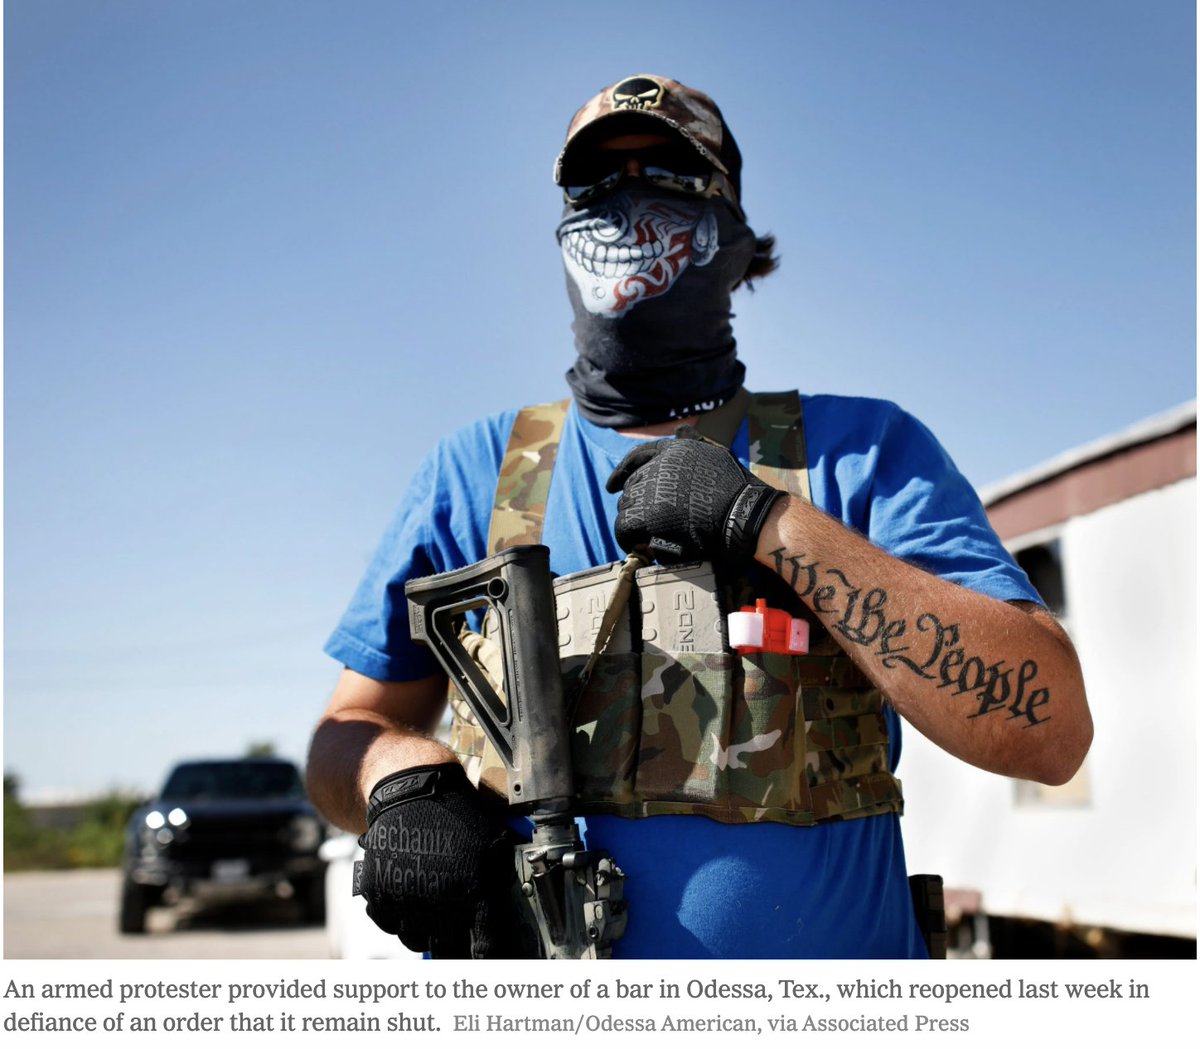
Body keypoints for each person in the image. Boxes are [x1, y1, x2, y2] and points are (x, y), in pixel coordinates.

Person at [306, 73, 1092, 960]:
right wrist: (398, 781)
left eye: (667, 179)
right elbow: (344, 734)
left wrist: (773, 524)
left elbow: (1050, 728)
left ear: (735, 236)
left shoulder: (859, 451)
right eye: (595, 185)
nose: (625, 205)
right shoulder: (478, 473)